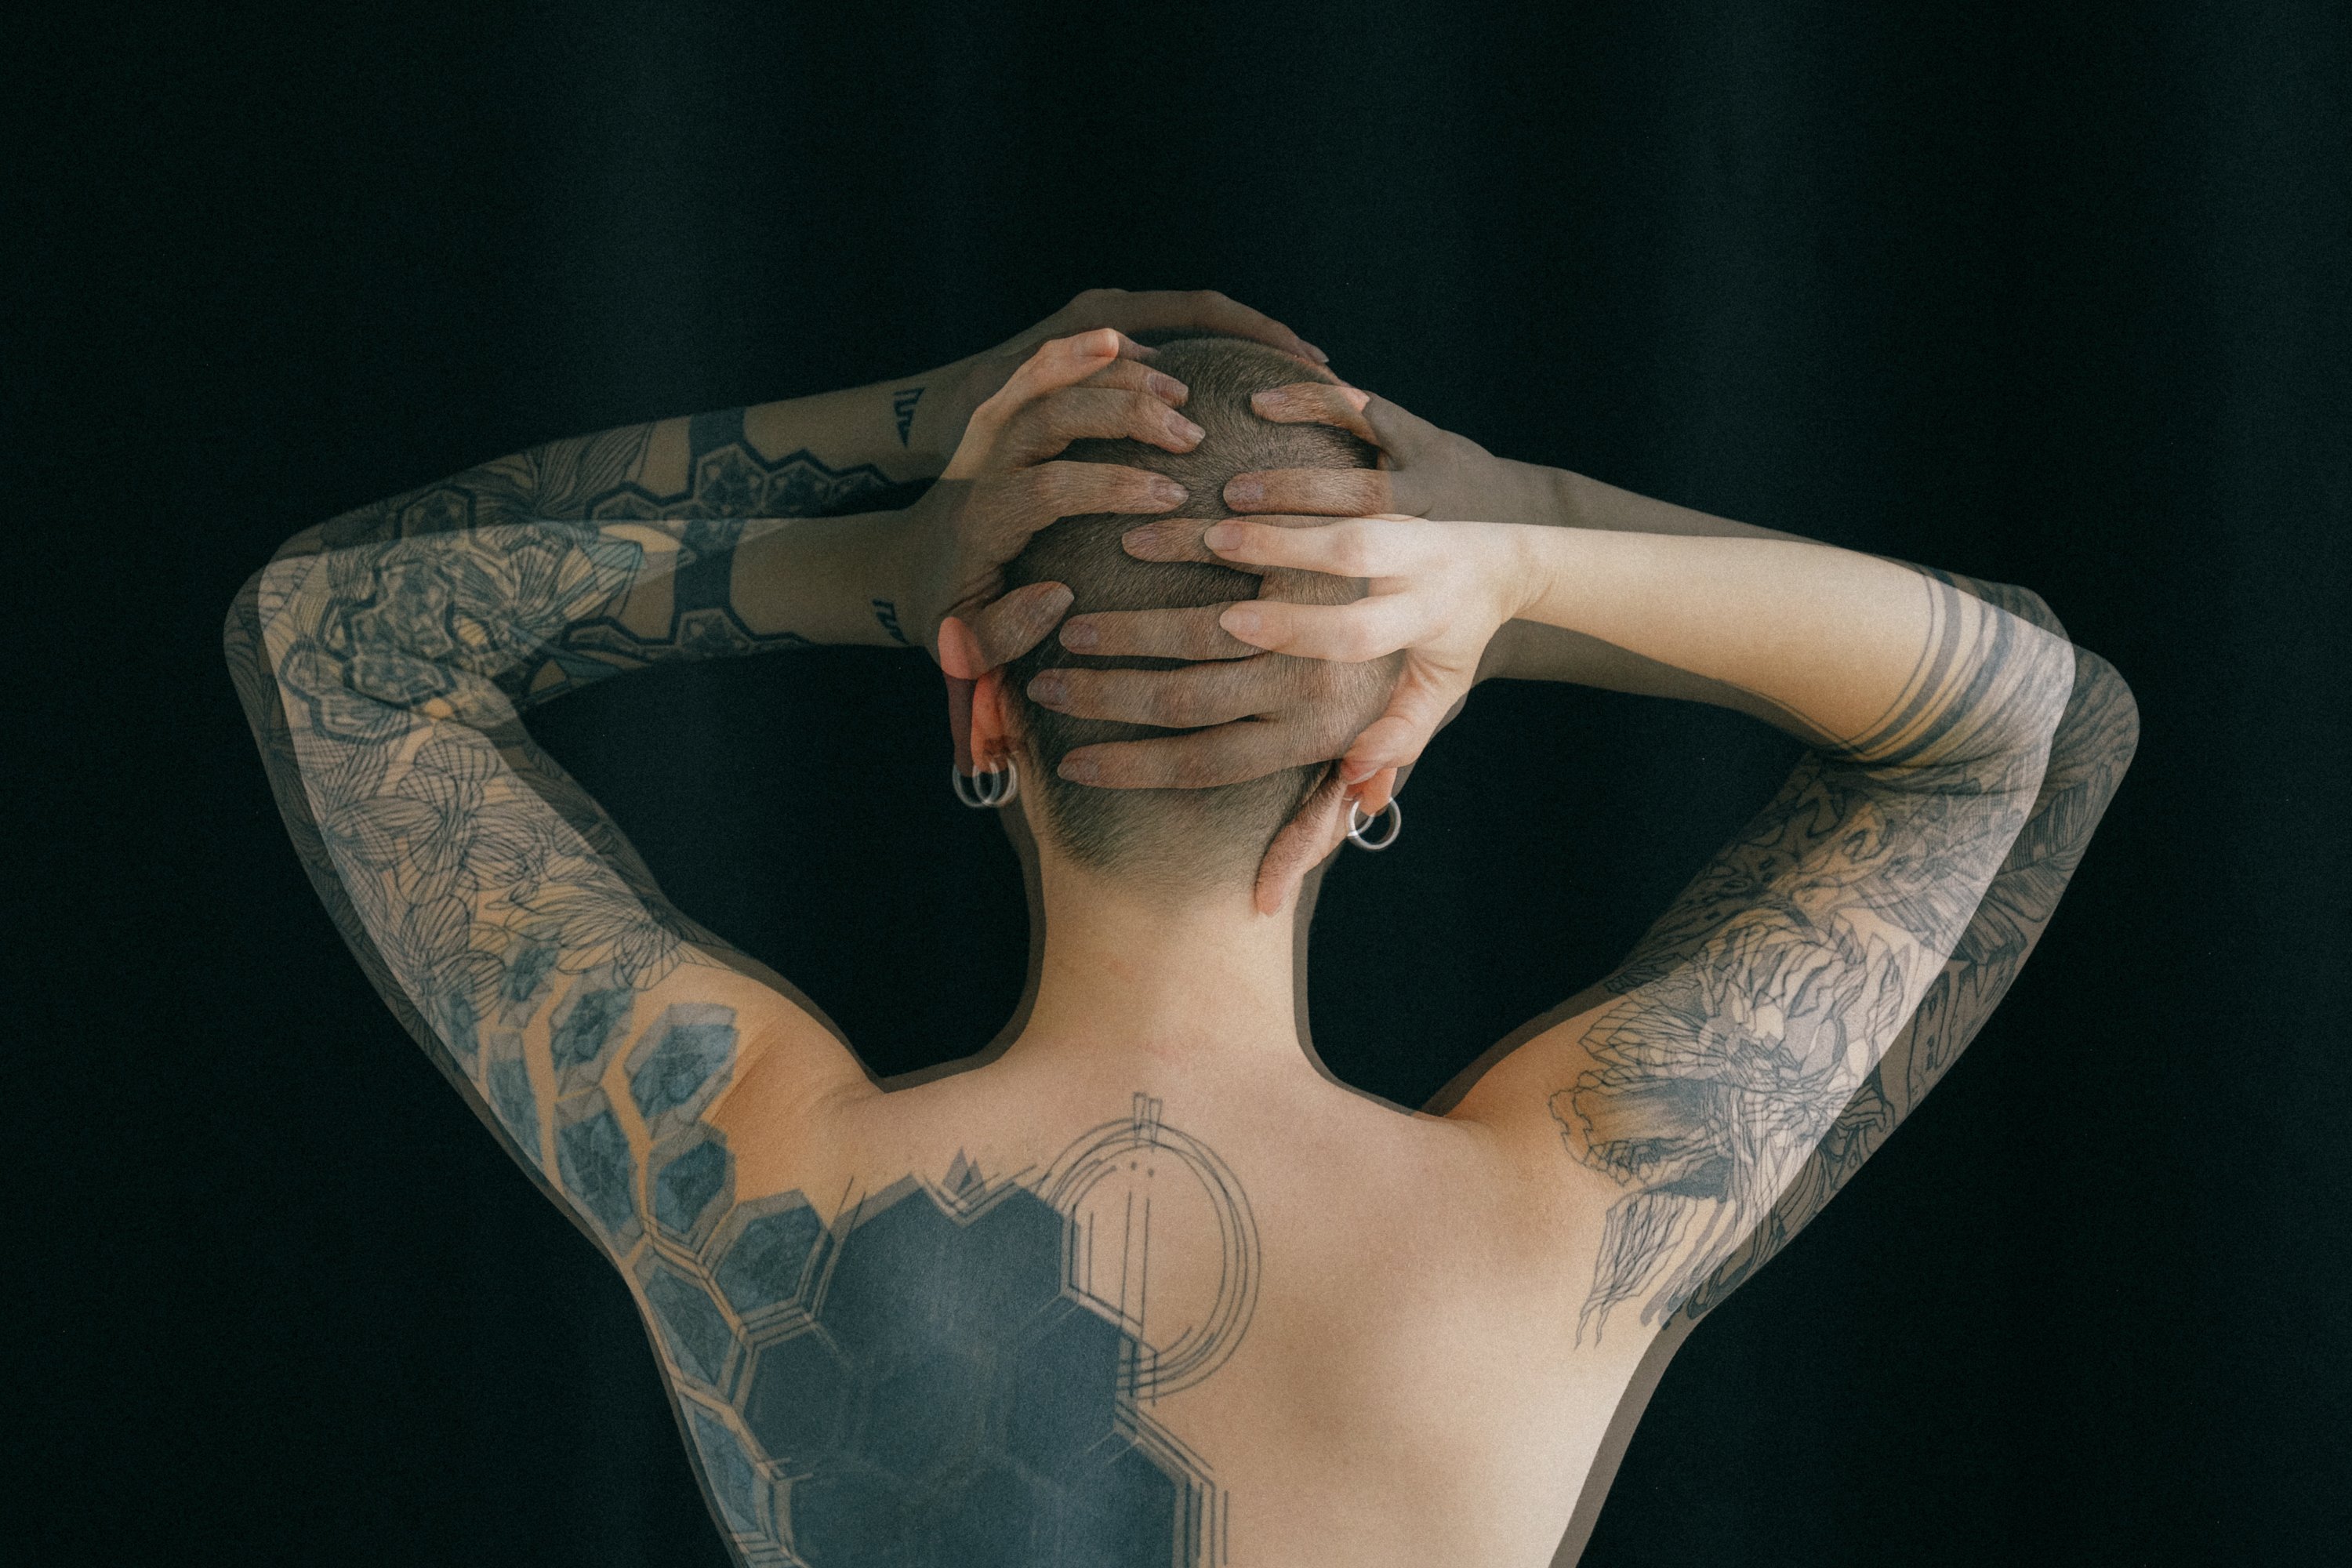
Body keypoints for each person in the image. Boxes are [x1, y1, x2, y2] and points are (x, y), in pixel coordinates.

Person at [224, 289, 2137, 1568]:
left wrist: (891, 532)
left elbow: (332, 645)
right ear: (1384, 753)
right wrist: (1518, 546)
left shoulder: (756, 1180)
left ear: (981, 713)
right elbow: (2029, 726)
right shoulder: (1560, 1222)